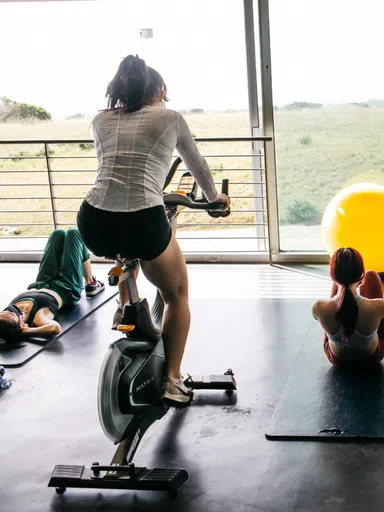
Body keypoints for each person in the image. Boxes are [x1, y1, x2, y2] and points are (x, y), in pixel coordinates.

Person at [76, 55, 229, 404]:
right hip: (143, 219)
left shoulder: (101, 120)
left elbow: (117, 165)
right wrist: (214, 197)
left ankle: (125, 307)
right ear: (159, 91)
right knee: (177, 294)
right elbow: (198, 165)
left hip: (94, 220)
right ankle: (172, 379)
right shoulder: (170, 118)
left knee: (125, 252)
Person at [0, 229, 103, 343]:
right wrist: (26, 332)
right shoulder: (38, 317)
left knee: (57, 234)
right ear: (21, 325)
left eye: (5, 312)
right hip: (66, 286)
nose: (10, 311)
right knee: (74, 234)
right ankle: (90, 282)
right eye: (13, 314)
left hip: (42, 281)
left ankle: (90, 281)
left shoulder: (4, 319)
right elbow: (54, 328)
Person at [312, 248, 384, 367]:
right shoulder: (379, 306)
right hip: (371, 358)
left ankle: (338, 285)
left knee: (328, 313)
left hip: (337, 359)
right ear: (361, 276)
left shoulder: (317, 307)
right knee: (372, 276)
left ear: (332, 276)